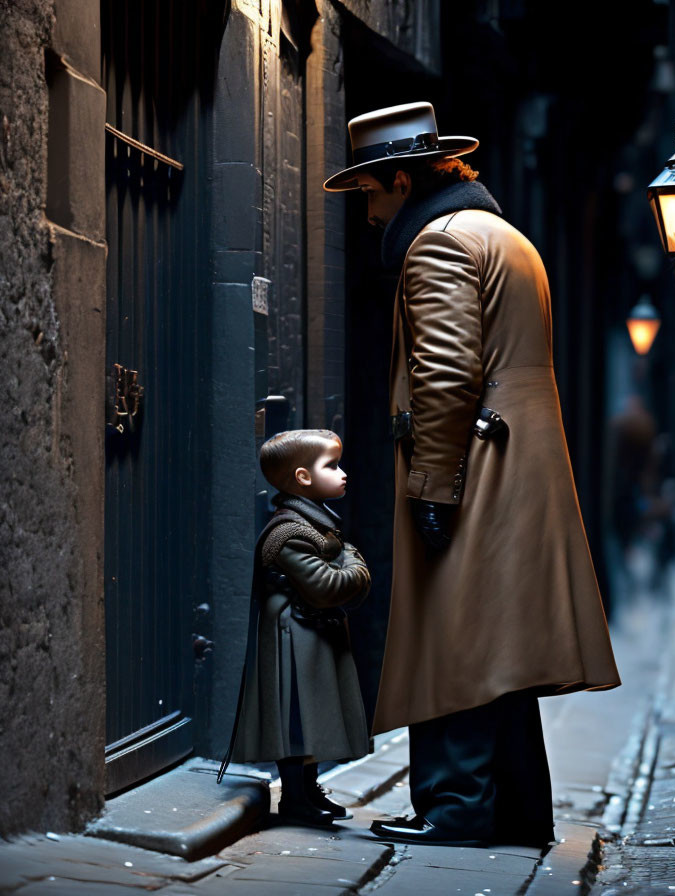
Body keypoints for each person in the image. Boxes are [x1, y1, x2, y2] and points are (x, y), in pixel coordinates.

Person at [323, 102, 621, 847]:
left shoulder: (439, 244)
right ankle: (516, 812)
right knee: (501, 647)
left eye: (371, 191)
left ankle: (456, 809)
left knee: (454, 639)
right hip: (516, 463)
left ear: (400, 177)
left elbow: (447, 376)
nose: (368, 211)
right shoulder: (503, 236)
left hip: (476, 465)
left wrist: (431, 487)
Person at [218, 429, 371, 827]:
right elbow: (328, 586)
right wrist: (354, 561)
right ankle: (296, 798)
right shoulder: (290, 532)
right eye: (332, 466)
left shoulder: (313, 522)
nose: (343, 474)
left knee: (311, 717)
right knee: (295, 717)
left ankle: (307, 791)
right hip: (293, 636)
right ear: (303, 477)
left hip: (309, 633)